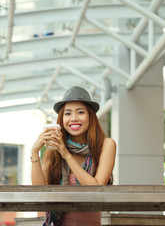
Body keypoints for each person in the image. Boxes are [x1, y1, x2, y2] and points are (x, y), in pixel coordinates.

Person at [31, 86, 116, 226]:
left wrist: (66, 154)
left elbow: (96, 187)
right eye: (68, 113)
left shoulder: (106, 145)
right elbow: (39, 192)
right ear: (62, 119)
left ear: (90, 116)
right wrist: (35, 152)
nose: (74, 119)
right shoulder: (55, 148)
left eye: (80, 112)